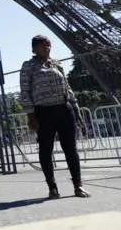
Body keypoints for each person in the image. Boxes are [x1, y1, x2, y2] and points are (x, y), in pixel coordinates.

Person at [19, 35, 91, 199]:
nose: (47, 48)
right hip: (43, 112)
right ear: (34, 48)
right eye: (44, 46)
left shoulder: (57, 64)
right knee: (46, 150)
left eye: (49, 45)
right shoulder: (28, 66)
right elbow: (25, 92)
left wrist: (76, 107)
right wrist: (30, 115)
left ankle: (78, 185)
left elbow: (67, 86)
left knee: (71, 149)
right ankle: (52, 187)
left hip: (64, 109)